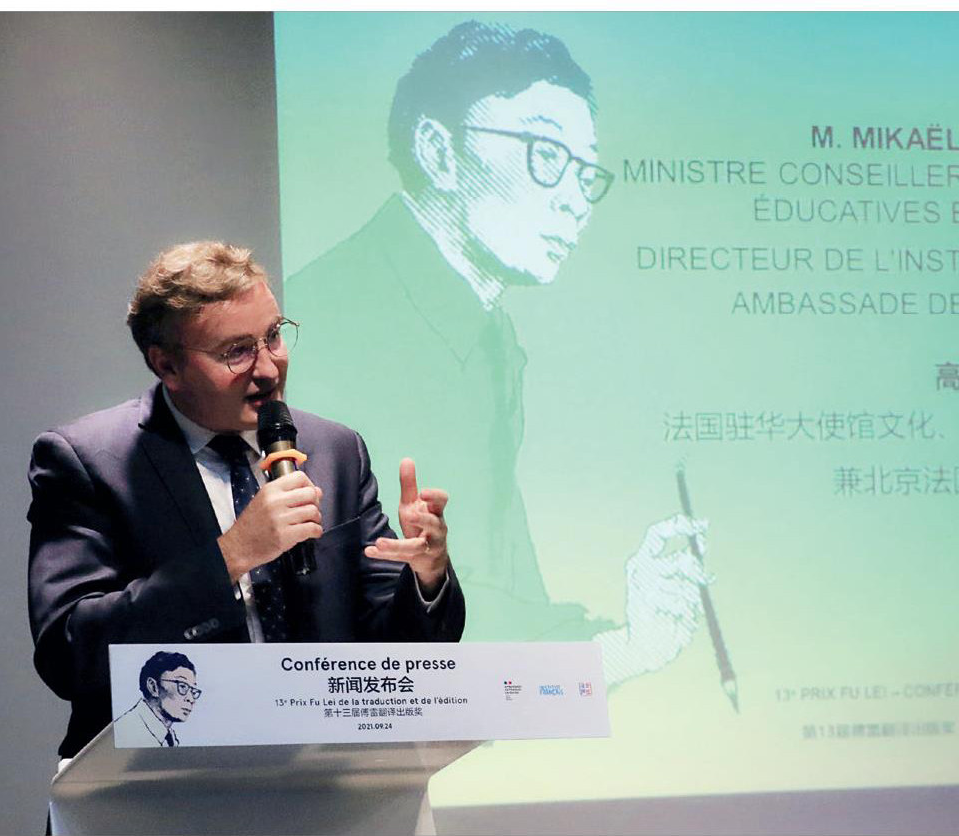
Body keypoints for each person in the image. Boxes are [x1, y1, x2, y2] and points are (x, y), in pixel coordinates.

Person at [285, 21, 706, 687]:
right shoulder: (337, 317)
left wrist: (629, 644)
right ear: (438, 151)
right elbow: (391, 612)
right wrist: (620, 647)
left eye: (586, 173)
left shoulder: (486, 335)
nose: (575, 200)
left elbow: (494, 585)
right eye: (546, 155)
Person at [28, 241, 464, 759]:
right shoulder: (89, 461)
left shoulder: (335, 449)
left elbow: (395, 650)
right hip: (165, 781)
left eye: (273, 336)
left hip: (326, 779)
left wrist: (427, 577)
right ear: (167, 365)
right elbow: (69, 653)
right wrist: (232, 555)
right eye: (236, 351)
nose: (269, 369)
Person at [113, 651, 200, 747]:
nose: (191, 699)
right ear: (153, 687)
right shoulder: (125, 733)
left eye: (193, 691)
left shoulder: (169, 737)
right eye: (182, 686)